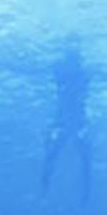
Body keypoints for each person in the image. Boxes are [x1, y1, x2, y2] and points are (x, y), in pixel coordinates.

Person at [42, 38, 92, 203]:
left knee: (79, 158)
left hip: (70, 122)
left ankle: (84, 193)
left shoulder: (63, 71)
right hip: (70, 123)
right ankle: (46, 186)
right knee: (57, 155)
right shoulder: (81, 73)